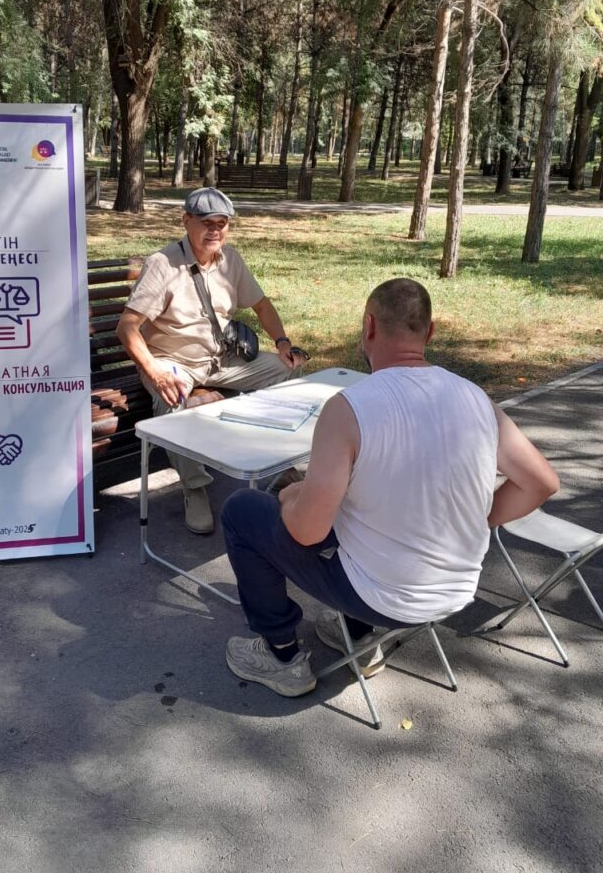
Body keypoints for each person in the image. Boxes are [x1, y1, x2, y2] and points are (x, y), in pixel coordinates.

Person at [221, 277, 560, 697]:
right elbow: (541, 482)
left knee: (242, 510)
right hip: (456, 592)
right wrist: (474, 519)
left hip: (384, 597)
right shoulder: (476, 398)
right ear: (430, 333)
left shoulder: (348, 408)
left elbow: (306, 531)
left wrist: (292, 495)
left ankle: (282, 656)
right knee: (361, 507)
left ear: (368, 326)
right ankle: (356, 633)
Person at [116, 187, 305, 534]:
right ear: (186, 221)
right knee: (172, 397)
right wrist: (156, 373)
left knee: (286, 367)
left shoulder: (230, 259)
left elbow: (262, 305)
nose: (215, 230)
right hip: (172, 360)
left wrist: (282, 342)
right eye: (207, 223)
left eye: (222, 223)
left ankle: (278, 466)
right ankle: (195, 488)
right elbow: (127, 327)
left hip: (220, 359)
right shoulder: (163, 264)